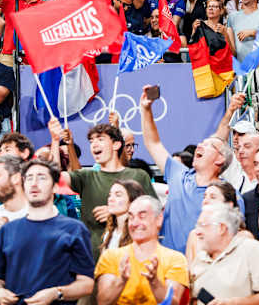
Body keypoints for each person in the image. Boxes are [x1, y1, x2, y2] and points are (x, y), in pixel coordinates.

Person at [140, 86, 239, 254]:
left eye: (209, 145)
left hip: (205, 269)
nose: (200, 145)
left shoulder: (227, 195)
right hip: (170, 268)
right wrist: (146, 109)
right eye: (202, 143)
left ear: (220, 159)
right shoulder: (179, 174)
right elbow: (153, 143)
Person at [0, 159, 95, 305]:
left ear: (55, 187)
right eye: (29, 178)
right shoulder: (7, 231)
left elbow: (86, 284)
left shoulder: (74, 229)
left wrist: (56, 293)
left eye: (42, 177)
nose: (34, 183)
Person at [57, 123, 156, 258]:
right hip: (91, 260)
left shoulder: (138, 176)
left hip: (130, 259)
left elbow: (154, 215)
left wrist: (117, 213)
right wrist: (54, 140)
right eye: (91, 141)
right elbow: (54, 179)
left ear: (116, 144)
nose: (94, 144)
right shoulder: (86, 177)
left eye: (100, 139)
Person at [94, 196, 188, 305]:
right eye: (131, 217)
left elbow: (174, 303)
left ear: (159, 219)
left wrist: (155, 283)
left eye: (142, 216)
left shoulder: (176, 259)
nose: (134, 223)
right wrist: (121, 280)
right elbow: (103, 302)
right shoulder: (110, 256)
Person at [190, 203, 259, 305]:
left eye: (203, 225)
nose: (197, 232)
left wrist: (235, 303)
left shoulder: (251, 249)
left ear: (221, 228)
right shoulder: (200, 258)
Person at [184, 181, 252, 264]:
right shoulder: (195, 235)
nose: (205, 201)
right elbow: (190, 272)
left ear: (229, 205)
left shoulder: (243, 237)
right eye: (204, 196)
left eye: (213, 197)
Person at [98, 180, 146, 253]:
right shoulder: (109, 234)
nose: (110, 199)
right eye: (110, 195)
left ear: (132, 200)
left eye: (118, 195)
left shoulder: (140, 234)